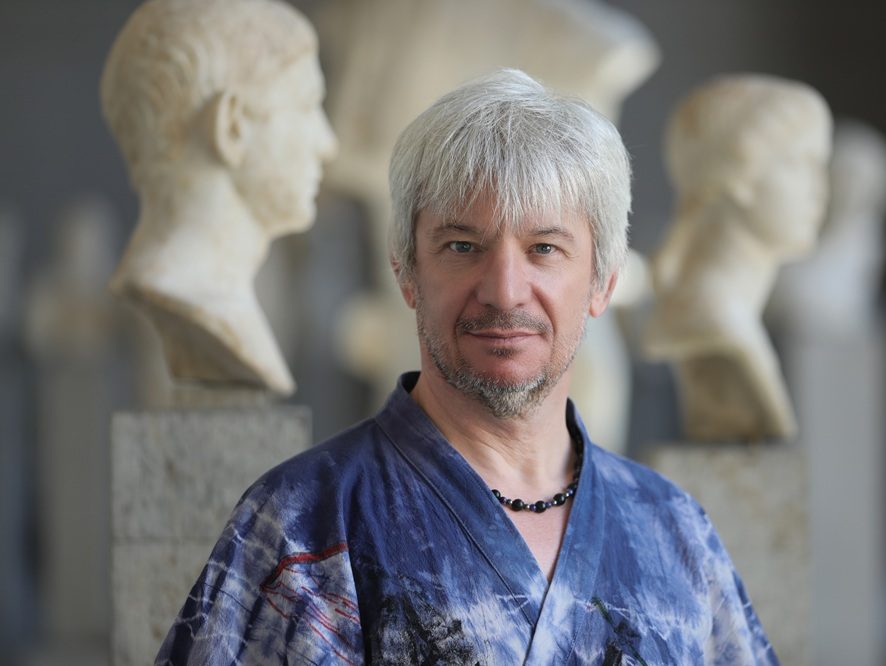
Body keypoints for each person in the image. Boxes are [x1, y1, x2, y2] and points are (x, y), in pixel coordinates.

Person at [156, 69, 778, 664]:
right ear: (406, 272)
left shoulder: (674, 532)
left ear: (603, 282)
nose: (504, 291)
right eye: (462, 246)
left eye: (544, 248)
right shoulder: (301, 524)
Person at [100, 0, 337, 396]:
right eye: (307, 105)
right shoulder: (191, 303)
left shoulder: (220, 301)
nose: (327, 144)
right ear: (231, 127)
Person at [642, 75, 833, 441]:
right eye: (799, 164)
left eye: (821, 167)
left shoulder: (721, 314)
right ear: (738, 177)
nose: (820, 190)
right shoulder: (714, 319)